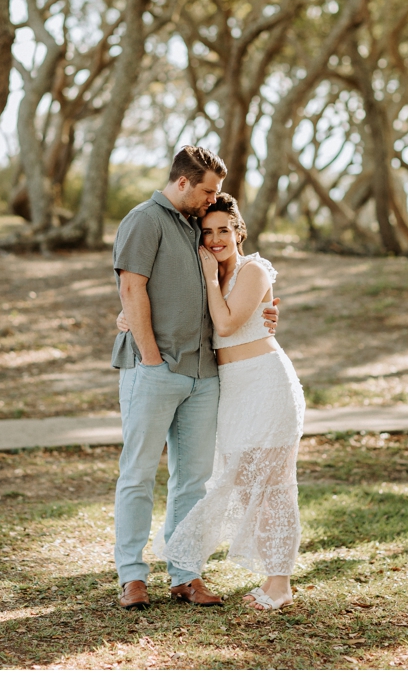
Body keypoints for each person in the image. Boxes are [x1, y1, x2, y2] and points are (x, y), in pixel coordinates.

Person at [110, 146, 277, 611]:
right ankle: (132, 576)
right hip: (155, 369)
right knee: (139, 473)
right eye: (207, 190)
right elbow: (130, 287)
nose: (212, 199)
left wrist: (267, 310)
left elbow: (231, 286)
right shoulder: (145, 219)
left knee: (193, 481)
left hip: (205, 377)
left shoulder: (197, 226)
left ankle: (185, 573)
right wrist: (148, 357)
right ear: (183, 183)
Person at [154, 193, 304, 611]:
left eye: (224, 229)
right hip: (233, 388)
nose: (216, 238)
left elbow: (226, 322)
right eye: (208, 232)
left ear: (239, 231)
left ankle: (280, 583)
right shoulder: (209, 274)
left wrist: (207, 276)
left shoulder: (254, 270)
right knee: (243, 485)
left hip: (267, 383)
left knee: (274, 486)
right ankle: (269, 572)